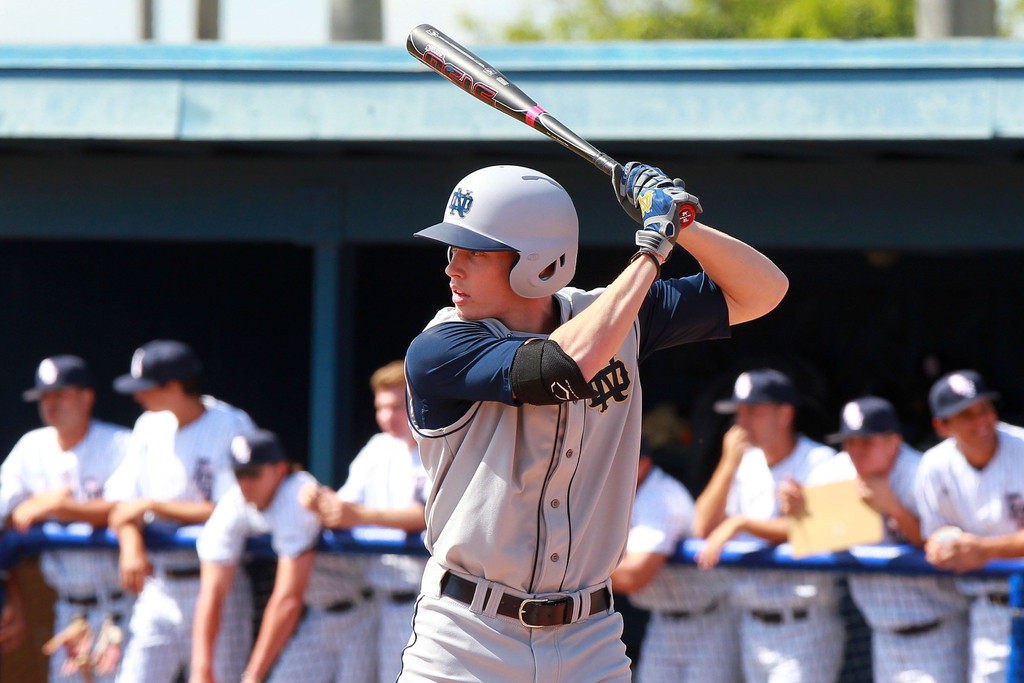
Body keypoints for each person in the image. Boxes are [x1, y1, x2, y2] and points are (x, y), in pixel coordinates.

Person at [398, 162, 788, 681]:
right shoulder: (441, 346)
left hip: (589, 636)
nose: (453, 267)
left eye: (475, 252)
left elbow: (763, 291)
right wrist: (653, 248)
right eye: (453, 250)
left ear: (535, 260)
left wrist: (682, 223)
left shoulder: (614, 313)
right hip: (468, 634)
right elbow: (559, 367)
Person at [780, 396, 969, 683]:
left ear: (894, 441)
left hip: (939, 632)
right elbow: (808, 530)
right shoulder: (839, 470)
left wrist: (893, 507)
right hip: (883, 637)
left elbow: (944, 544)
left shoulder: (923, 472)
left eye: (866, 442)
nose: (856, 452)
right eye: (849, 442)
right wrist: (795, 506)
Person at [103, 340, 255, 683]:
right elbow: (121, 505)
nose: (137, 397)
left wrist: (153, 506)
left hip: (216, 584)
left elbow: (231, 509)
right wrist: (130, 542)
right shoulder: (147, 426)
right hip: (159, 585)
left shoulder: (230, 424)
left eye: (145, 388)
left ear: (173, 387)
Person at [692, 368, 842, 683]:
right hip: (752, 624)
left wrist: (742, 523)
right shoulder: (744, 464)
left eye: (753, 411)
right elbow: (702, 527)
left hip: (805, 625)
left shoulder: (823, 461)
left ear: (784, 413)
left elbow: (822, 530)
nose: (741, 423)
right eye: (739, 412)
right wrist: (727, 464)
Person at [191, 429, 376, 683]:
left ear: (279, 469)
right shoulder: (234, 502)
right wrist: (201, 668)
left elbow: (288, 600)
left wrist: (253, 676)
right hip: (318, 617)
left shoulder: (298, 493)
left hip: (365, 612)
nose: (245, 483)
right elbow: (212, 589)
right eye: (239, 473)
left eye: (253, 473)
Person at [0, 355, 132, 682]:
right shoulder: (31, 448)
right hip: (69, 610)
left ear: (87, 397)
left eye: (60, 394)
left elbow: (127, 508)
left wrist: (53, 506)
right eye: (44, 396)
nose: (50, 403)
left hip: (123, 608)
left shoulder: (120, 443)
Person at [300, 360, 427, 683]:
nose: (387, 416)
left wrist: (359, 516)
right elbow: (345, 504)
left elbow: (427, 515)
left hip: (425, 601)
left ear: (419, 400)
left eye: (396, 406)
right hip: (381, 601)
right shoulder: (378, 447)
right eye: (381, 407)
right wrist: (320, 501)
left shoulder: (439, 444)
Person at [915, 369, 1024, 683]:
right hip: (989, 608)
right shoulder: (934, 466)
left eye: (984, 409)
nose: (982, 421)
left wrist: (984, 550)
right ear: (942, 425)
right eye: (966, 415)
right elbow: (935, 535)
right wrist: (940, 547)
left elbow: (979, 550)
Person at [610, 439, 740, 683]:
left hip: (710, 620)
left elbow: (633, 578)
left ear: (643, 464)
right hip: (662, 621)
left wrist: (579, 566)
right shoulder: (615, 496)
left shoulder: (660, 496)